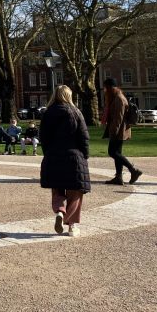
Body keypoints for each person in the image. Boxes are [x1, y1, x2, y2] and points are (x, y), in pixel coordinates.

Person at [39, 85, 91, 237]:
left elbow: (43, 137)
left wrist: (48, 153)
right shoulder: (76, 112)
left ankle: (60, 212)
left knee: (57, 189)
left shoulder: (47, 113)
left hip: (53, 155)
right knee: (75, 193)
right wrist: (85, 156)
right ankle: (72, 226)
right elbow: (84, 137)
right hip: (73, 156)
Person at [101, 78, 142, 185]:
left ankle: (133, 170)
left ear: (111, 88)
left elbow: (118, 118)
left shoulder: (119, 98)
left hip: (119, 130)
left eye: (106, 88)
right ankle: (118, 177)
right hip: (119, 129)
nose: (104, 90)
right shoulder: (116, 97)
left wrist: (114, 132)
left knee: (112, 152)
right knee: (117, 153)